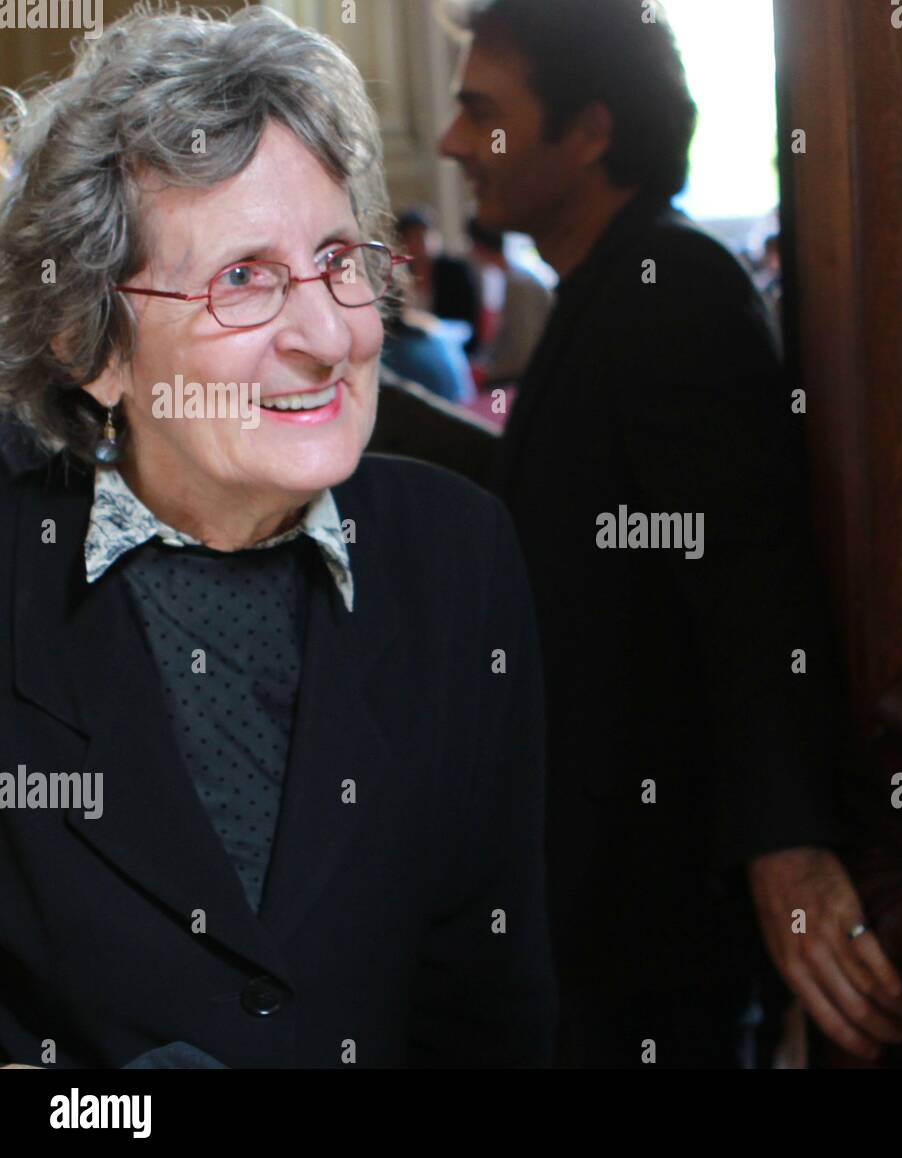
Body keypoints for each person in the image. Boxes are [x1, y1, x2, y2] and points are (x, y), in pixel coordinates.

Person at [0, 6, 554, 1069]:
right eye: (242, 277)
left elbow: (493, 993)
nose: (329, 334)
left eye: (339, 258)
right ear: (90, 344)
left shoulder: (455, 553)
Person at [441, 0, 902, 1067]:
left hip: (648, 922)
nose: (452, 142)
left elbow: (750, 579)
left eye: (483, 112)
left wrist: (787, 848)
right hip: (594, 898)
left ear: (590, 130)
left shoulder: (671, 287)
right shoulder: (609, 286)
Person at [466, 216, 553, 389]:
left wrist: (489, 374)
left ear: (479, 247)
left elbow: (523, 351)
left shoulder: (518, 284)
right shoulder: (512, 279)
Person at [395, 206, 482, 353]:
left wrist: (429, 325)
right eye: (413, 237)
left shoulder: (455, 271)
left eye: (424, 236)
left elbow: (468, 325)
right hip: (412, 349)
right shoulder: (398, 274)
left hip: (454, 349)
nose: (421, 244)